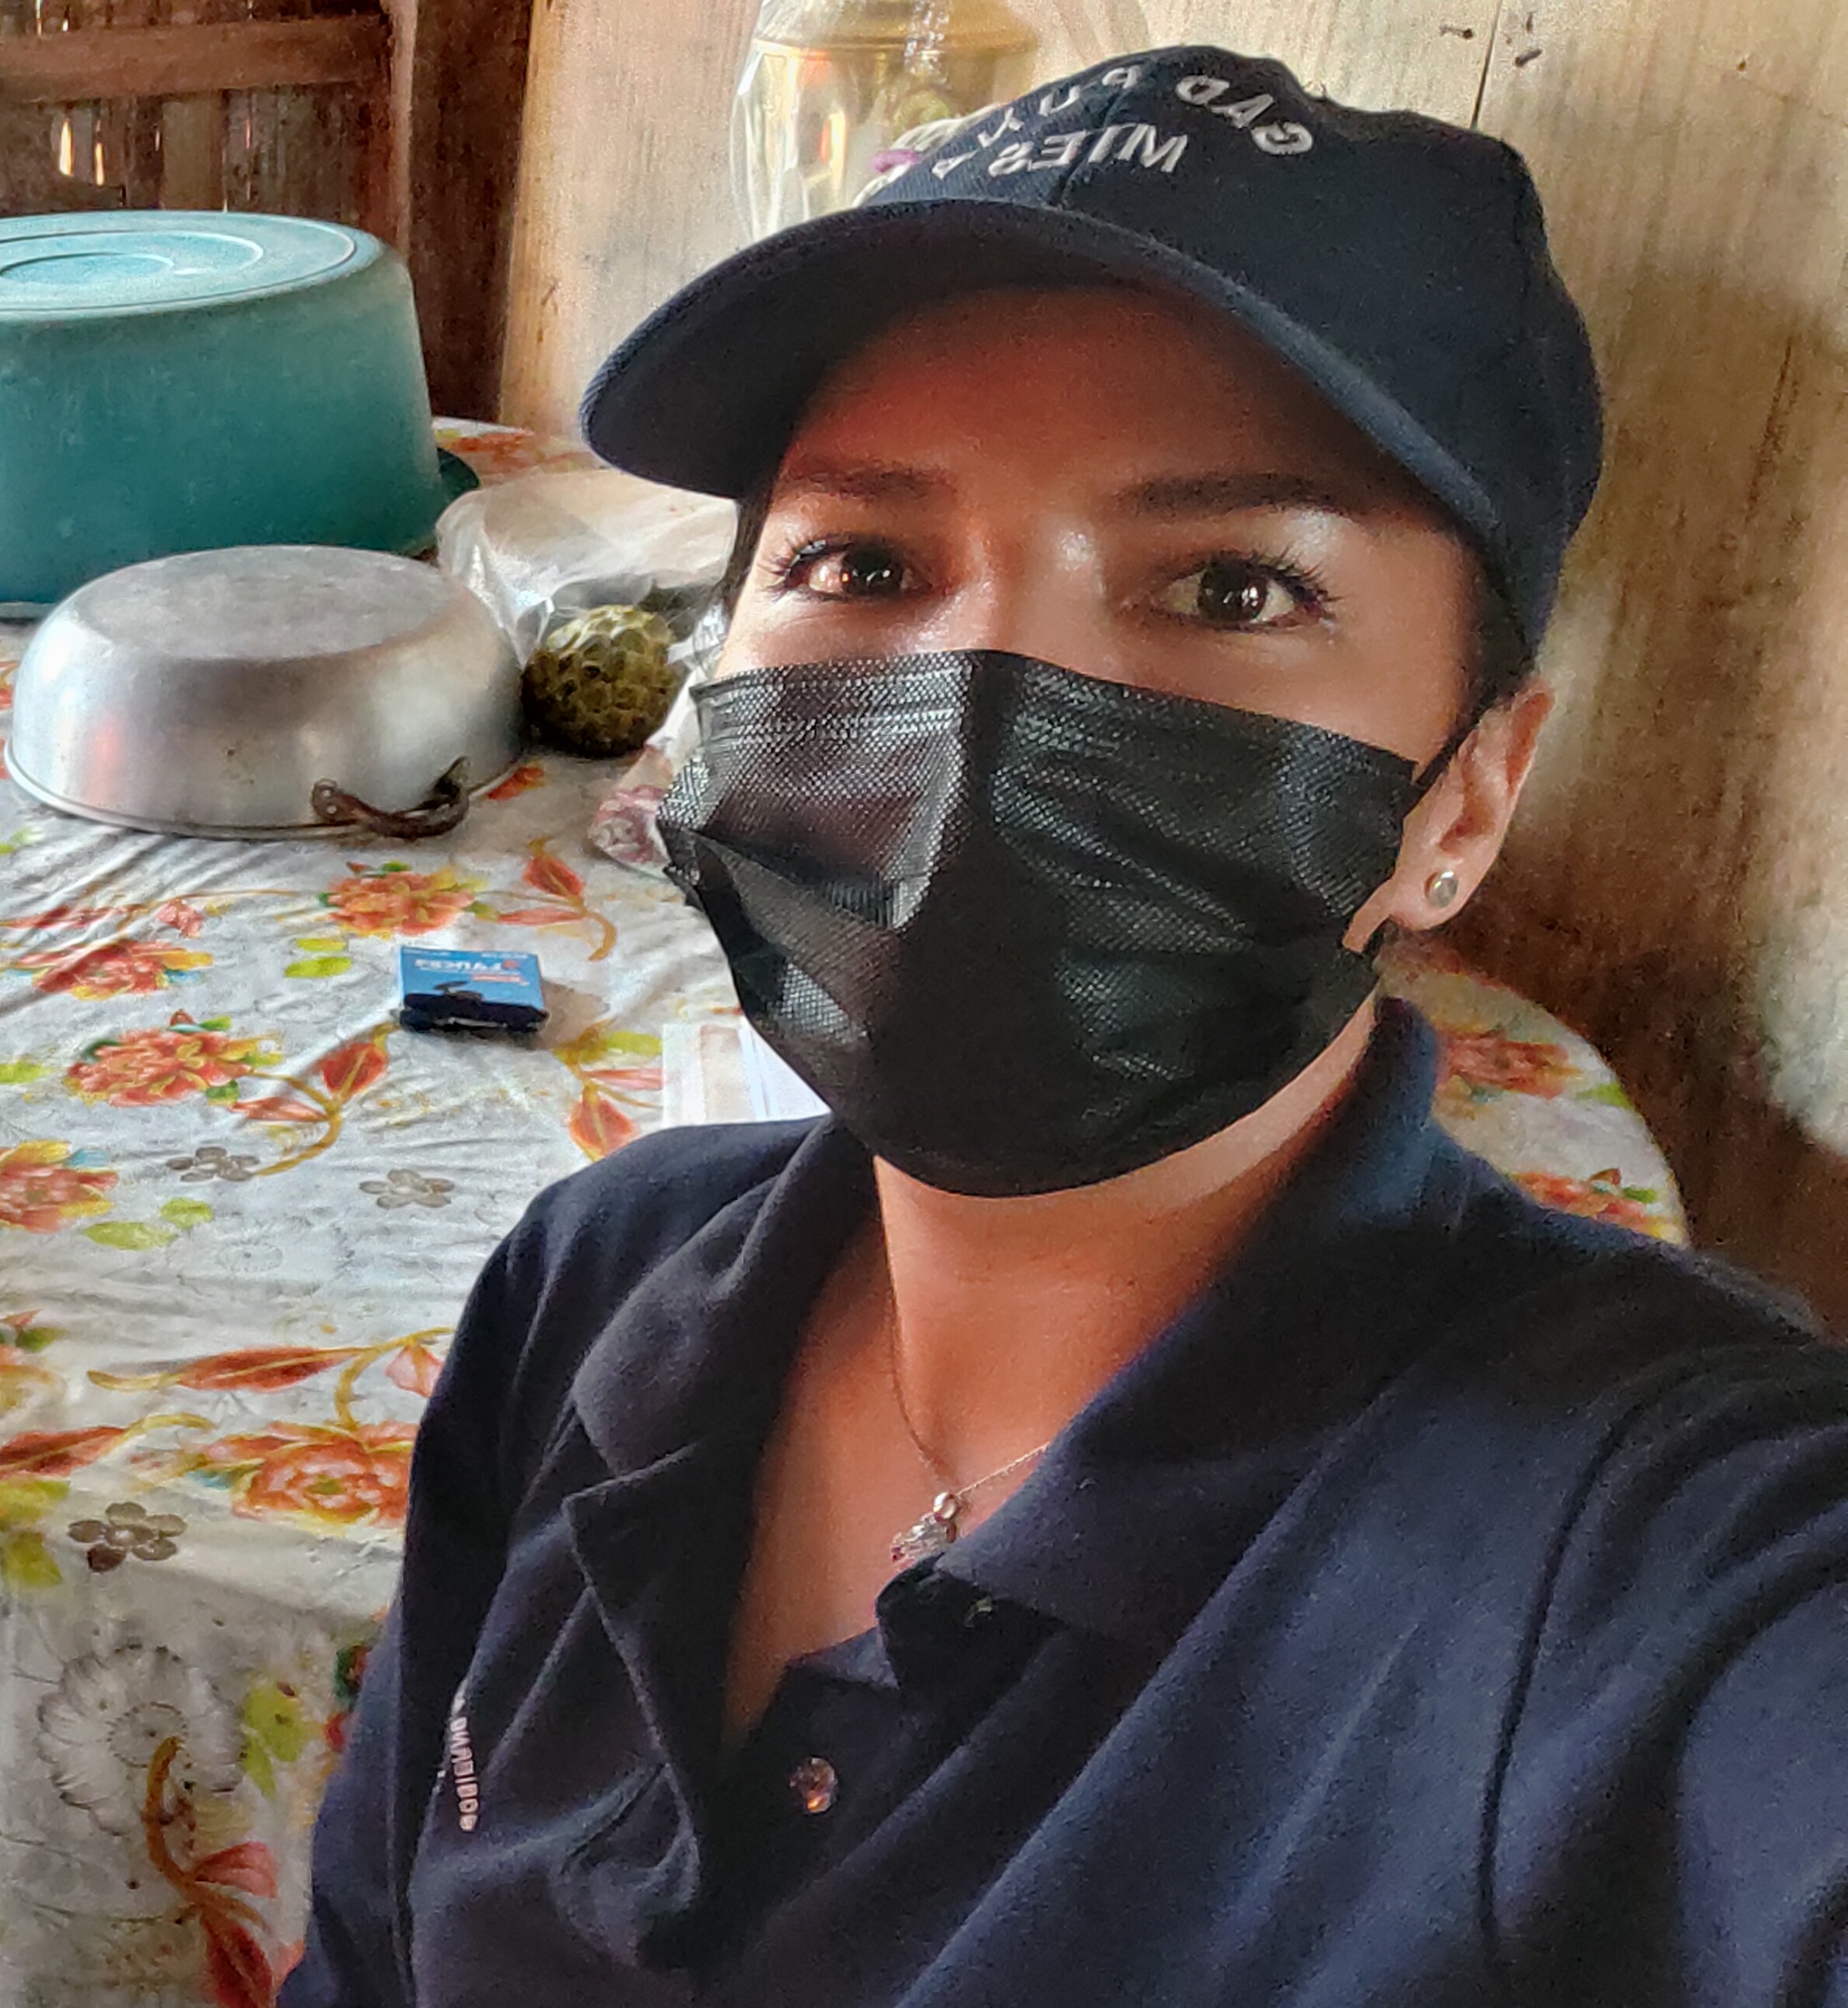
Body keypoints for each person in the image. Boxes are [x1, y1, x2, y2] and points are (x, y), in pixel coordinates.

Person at [287, 46, 1848, 2007]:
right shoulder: (596, 1285)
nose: (981, 706)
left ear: (1465, 799)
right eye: (862, 563)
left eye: (1232, 586)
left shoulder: (1653, 1551)